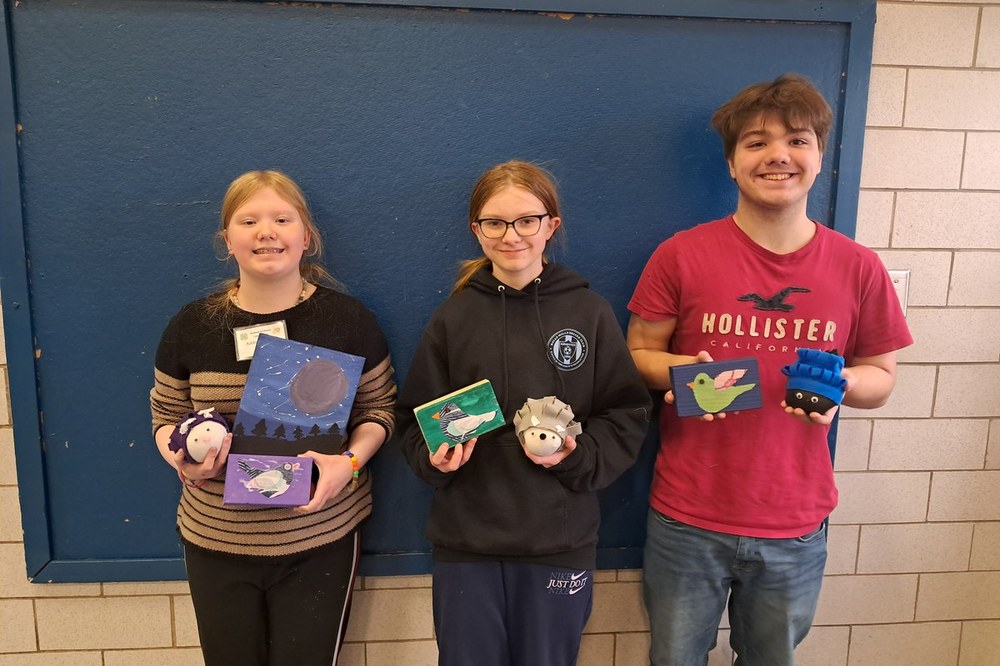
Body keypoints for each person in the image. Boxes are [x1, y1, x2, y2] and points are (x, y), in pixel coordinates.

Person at [627, 74, 913, 665]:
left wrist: (842, 384)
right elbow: (637, 356)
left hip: (795, 522)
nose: (778, 155)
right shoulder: (680, 254)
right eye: (756, 142)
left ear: (818, 158)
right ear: (731, 163)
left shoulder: (859, 267)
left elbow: (880, 377)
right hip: (687, 516)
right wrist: (685, 371)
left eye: (797, 141)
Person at [395, 160, 652, 666]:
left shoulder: (588, 313)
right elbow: (412, 421)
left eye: (526, 220)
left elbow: (627, 411)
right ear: (477, 230)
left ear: (551, 225)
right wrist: (436, 459)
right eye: (495, 222)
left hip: (559, 539)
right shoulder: (455, 317)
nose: (511, 235)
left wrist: (576, 459)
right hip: (467, 542)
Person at [149, 170, 396, 665]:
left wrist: (346, 463)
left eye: (282, 219)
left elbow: (380, 410)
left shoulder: (349, 322)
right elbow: (165, 416)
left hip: (318, 539)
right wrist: (181, 460)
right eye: (249, 220)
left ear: (306, 236)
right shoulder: (192, 326)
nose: (267, 231)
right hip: (217, 541)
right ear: (228, 240)